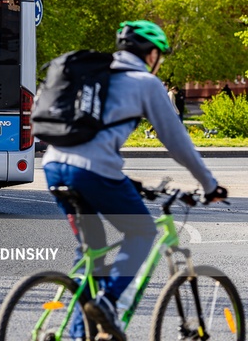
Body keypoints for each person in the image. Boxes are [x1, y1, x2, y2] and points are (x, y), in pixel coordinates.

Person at [42, 20, 228, 341]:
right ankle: (108, 301)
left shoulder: (94, 76)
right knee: (141, 229)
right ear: (151, 54)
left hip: (54, 166)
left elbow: (89, 139)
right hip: (92, 171)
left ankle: (77, 335)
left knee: (92, 254)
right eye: (160, 55)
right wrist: (209, 184)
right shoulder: (145, 83)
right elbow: (177, 141)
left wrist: (130, 182)